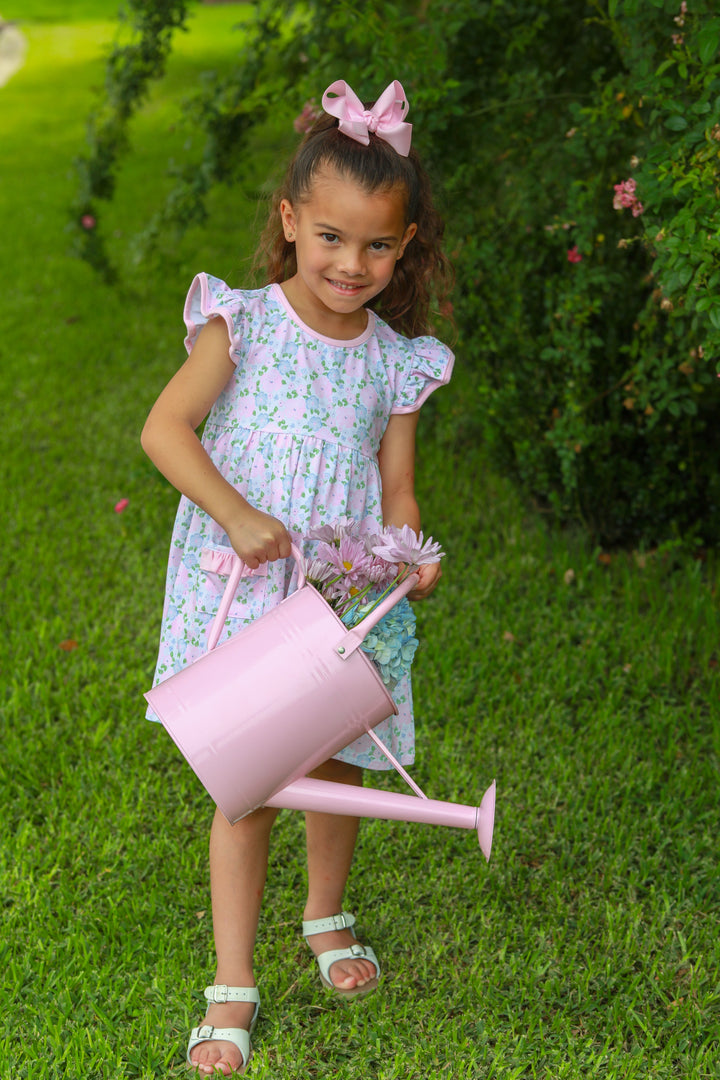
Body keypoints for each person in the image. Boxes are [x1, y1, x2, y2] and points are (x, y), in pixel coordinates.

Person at [142, 78, 454, 1076]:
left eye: (376, 245)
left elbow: (397, 489)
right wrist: (235, 514)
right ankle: (230, 980)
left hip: (340, 599)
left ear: (403, 248)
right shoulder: (245, 324)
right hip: (244, 584)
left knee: (336, 768)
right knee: (248, 786)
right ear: (289, 221)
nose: (350, 264)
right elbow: (164, 429)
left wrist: (413, 554)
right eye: (329, 237)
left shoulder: (397, 364)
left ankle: (325, 912)